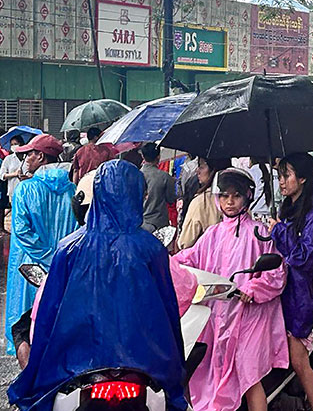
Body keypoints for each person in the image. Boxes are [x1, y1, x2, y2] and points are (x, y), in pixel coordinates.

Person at [8, 160, 187, 411]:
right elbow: (169, 308)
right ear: (137, 195)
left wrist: (40, 363)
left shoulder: (68, 248)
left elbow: (49, 312)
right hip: (146, 361)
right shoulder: (151, 248)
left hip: (76, 364)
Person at [173, 168, 287, 411]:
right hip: (216, 315)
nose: (230, 201)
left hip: (248, 316)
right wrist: (164, 261)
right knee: (207, 372)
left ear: (247, 197)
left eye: (236, 196)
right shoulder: (212, 233)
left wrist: (254, 287)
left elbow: (277, 272)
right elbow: (190, 258)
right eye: (224, 196)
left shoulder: (259, 232)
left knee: (248, 376)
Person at [4, 134, 77, 358]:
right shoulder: (73, 190)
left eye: (29, 154)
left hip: (30, 269)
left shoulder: (25, 190)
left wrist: (45, 257)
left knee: (26, 328)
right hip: (64, 266)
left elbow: (22, 231)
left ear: (41, 157)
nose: (25, 158)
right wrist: (58, 258)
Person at [272, 153, 313, 411]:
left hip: (301, 300)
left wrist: (278, 231)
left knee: (300, 362)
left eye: (286, 176)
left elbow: (304, 258)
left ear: (304, 178)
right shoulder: (291, 210)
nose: (282, 183)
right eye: (279, 177)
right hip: (286, 295)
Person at [178, 157, 233, 250]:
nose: (197, 171)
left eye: (201, 167)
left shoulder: (200, 203)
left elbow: (185, 242)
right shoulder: (241, 200)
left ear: (213, 170)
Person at [140, 142, 177, 232]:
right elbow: (171, 199)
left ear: (143, 157)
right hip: (159, 224)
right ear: (158, 157)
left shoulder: (135, 175)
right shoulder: (164, 177)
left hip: (140, 223)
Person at [0, 135, 28, 207]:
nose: (13, 146)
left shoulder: (28, 157)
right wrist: (14, 174)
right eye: (12, 144)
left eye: (15, 144)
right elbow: (2, 175)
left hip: (27, 190)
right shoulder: (8, 159)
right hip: (13, 191)